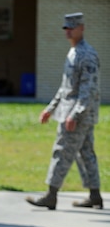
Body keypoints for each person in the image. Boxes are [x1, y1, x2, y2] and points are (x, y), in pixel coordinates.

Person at [26, 12, 103, 210]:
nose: (68, 31)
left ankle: (51, 195)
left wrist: (74, 115)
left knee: (61, 152)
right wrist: (50, 109)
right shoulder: (74, 52)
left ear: (82, 28)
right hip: (72, 112)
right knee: (86, 154)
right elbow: (65, 87)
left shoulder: (87, 55)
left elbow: (88, 89)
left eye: (72, 27)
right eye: (66, 27)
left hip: (77, 116)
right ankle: (95, 195)